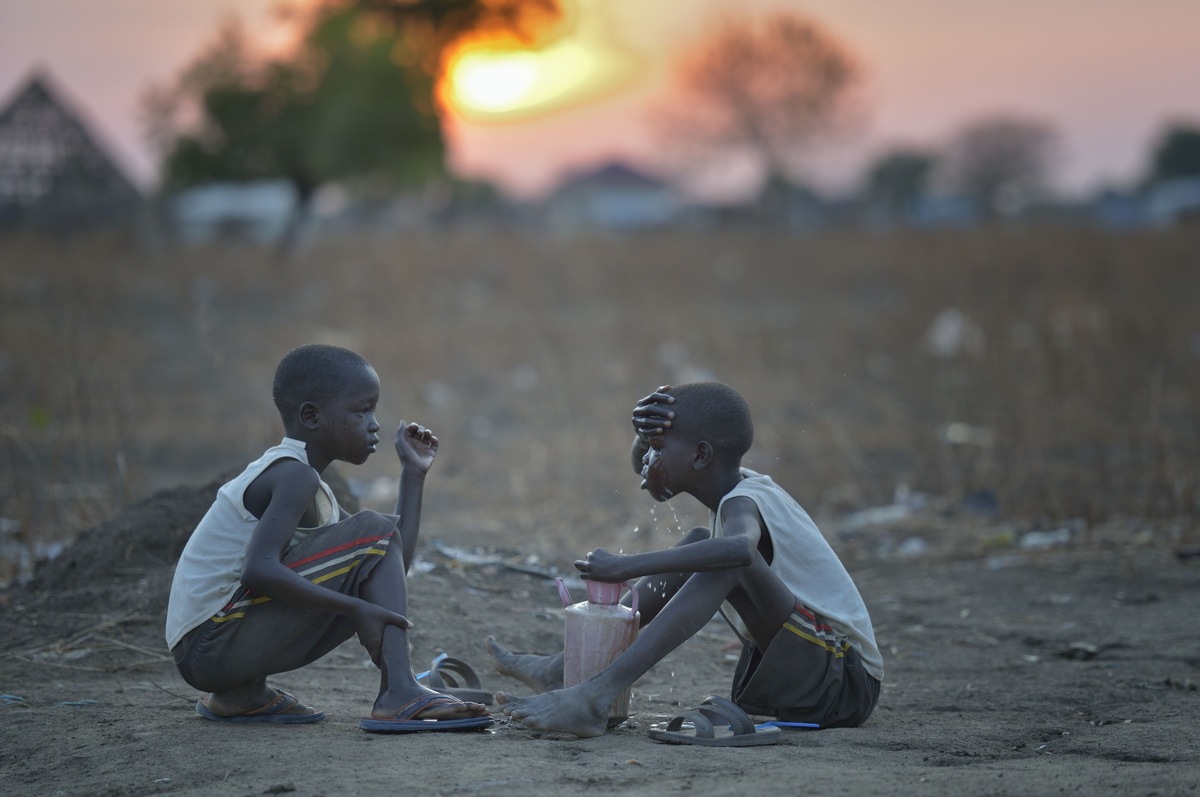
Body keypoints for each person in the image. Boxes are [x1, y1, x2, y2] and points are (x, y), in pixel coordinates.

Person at [490, 382, 883, 738]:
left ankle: (594, 697)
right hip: (819, 671)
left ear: (700, 456)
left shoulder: (745, 502)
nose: (647, 460)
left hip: (843, 683)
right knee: (699, 542)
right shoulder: (736, 483)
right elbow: (645, 471)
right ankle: (568, 668)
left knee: (728, 559)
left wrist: (627, 566)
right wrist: (641, 432)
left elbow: (740, 551)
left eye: (658, 449)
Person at [165, 343, 491, 732]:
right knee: (374, 531)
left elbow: (388, 564)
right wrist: (355, 610)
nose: (374, 424)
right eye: (361, 410)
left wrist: (413, 475)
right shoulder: (292, 474)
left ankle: (241, 697)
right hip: (211, 645)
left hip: (207, 653)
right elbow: (258, 569)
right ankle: (399, 691)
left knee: (375, 539)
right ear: (311, 416)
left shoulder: (311, 486)